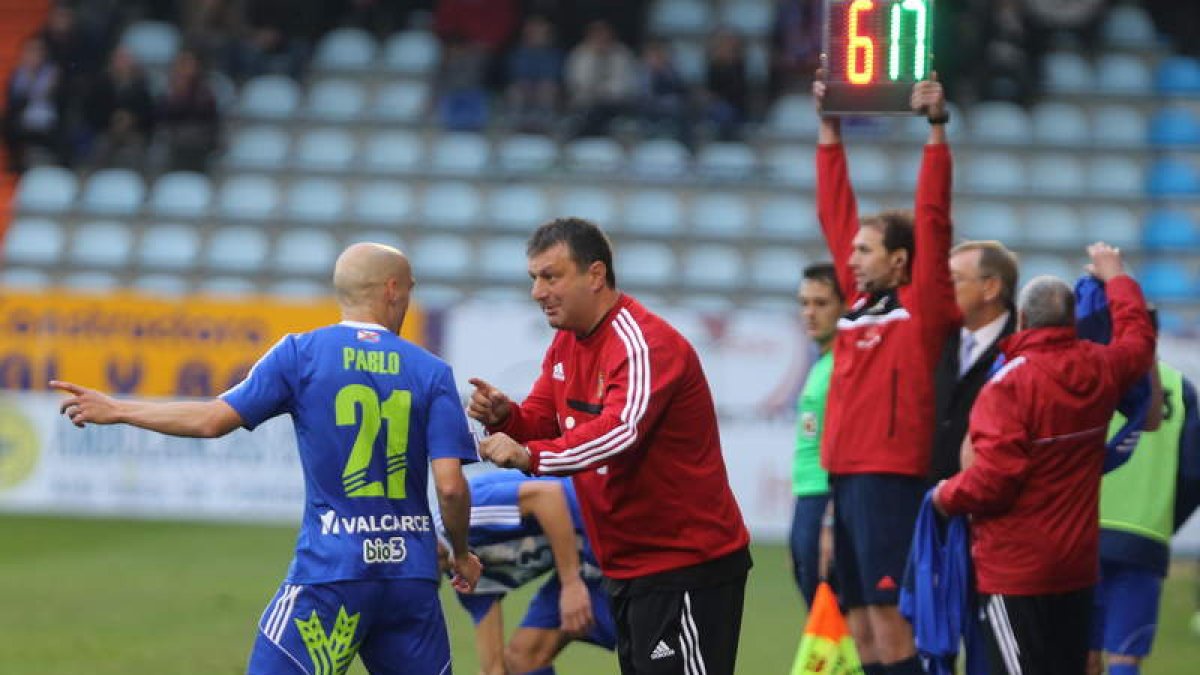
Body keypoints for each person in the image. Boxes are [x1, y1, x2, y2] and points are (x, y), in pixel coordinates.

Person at [50, 243, 483, 674]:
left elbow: (211, 420)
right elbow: (449, 485)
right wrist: (460, 553)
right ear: (392, 289)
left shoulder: (301, 354)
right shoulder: (431, 371)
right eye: (409, 289)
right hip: (410, 578)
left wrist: (119, 409)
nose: (409, 299)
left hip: (334, 571)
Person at [467, 217, 752, 675]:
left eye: (550, 276)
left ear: (595, 275)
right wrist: (508, 418)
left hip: (686, 565)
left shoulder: (643, 344)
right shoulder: (566, 343)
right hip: (626, 566)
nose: (538, 291)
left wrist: (531, 456)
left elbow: (619, 432)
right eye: (534, 278)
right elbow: (543, 416)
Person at [933, 243, 1156, 675]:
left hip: (1015, 573)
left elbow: (992, 482)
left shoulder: (1007, 386)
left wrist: (944, 495)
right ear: (1072, 321)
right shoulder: (1102, 367)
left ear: (1020, 319)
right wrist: (1118, 278)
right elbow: (1138, 338)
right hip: (1075, 571)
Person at [813, 73, 957, 675]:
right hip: (845, 476)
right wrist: (828, 128)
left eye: (865, 251)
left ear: (900, 260)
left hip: (890, 476)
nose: (850, 256)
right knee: (863, 623)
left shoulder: (920, 307)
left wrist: (936, 130)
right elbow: (835, 212)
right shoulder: (856, 307)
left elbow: (932, 216)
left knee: (892, 621)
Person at [1090, 313, 1200, 675]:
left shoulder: (1086, 374)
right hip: (1144, 536)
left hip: (1080, 532)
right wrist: (1164, 519)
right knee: (1126, 654)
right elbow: (1192, 475)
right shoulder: (1179, 387)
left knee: (1081, 650)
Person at [448, 470, 616, 674]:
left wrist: (571, 584)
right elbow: (493, 669)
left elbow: (548, 496)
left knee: (653, 648)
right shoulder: (462, 575)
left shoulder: (463, 512)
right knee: (523, 659)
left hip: (610, 528)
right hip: (583, 567)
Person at [929, 241, 1019, 483]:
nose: (943, 290)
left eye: (954, 280)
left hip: (989, 498)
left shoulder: (1020, 349)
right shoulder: (935, 340)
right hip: (928, 499)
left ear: (990, 288)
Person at [789, 263, 844, 609]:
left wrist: (828, 523)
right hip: (809, 499)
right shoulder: (822, 362)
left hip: (826, 500)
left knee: (836, 623)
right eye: (804, 303)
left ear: (845, 306)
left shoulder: (844, 366)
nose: (810, 313)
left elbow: (847, 448)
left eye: (821, 304)